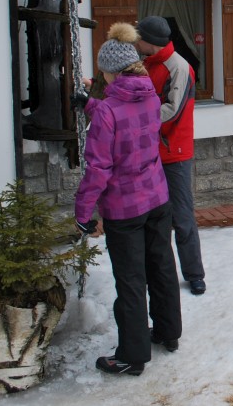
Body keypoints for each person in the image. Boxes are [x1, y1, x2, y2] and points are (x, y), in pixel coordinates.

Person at [74, 22, 182, 375]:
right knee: (161, 268)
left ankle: (132, 356)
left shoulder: (109, 111)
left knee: (131, 281)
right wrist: (90, 105)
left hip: (125, 210)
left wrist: (82, 214)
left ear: (112, 71)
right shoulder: (149, 96)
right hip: (157, 199)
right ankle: (167, 332)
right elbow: (125, 117)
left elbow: (98, 169)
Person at [134, 15, 206, 296]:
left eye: (138, 36)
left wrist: (135, 118)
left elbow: (172, 111)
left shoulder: (179, 66)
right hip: (149, 151)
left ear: (149, 41)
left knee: (182, 217)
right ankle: (156, 272)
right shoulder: (146, 64)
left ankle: (194, 274)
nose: (135, 40)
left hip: (174, 154)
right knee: (151, 218)